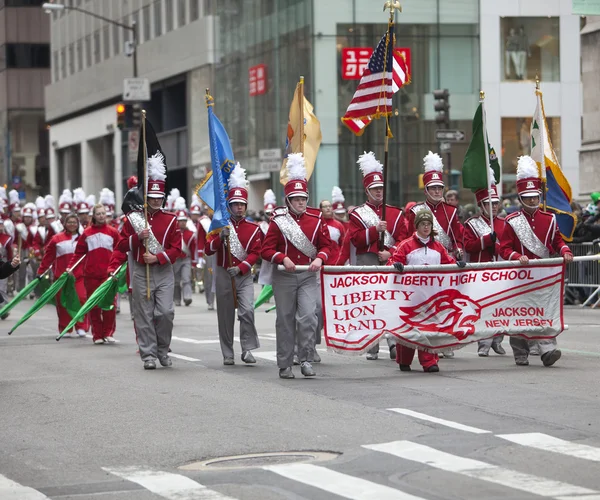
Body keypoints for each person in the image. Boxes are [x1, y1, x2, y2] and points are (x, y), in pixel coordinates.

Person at [261, 152, 332, 379]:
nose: (301, 202)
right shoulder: (278, 221)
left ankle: (306, 358)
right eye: (296, 199)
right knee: (285, 319)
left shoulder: (317, 218)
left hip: (308, 275)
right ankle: (284, 363)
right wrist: (282, 258)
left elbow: (328, 246)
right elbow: (266, 249)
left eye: (303, 198)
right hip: (284, 277)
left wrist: (320, 257)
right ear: (288, 201)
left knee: (309, 317)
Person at [110, 148, 182, 370]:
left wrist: (158, 258)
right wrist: (137, 238)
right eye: (153, 198)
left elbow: (176, 249)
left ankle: (163, 349)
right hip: (141, 271)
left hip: (163, 270)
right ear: (146, 198)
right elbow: (121, 245)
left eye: (160, 198)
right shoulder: (134, 219)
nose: (157, 201)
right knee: (144, 314)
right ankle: (148, 355)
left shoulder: (171, 220)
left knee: (166, 312)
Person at [499, 155, 573, 367]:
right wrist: (516, 256)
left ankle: (548, 349)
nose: (532, 200)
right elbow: (504, 248)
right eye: (528, 197)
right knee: (521, 313)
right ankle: (520, 352)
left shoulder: (549, 219)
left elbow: (557, 241)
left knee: (544, 311)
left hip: (543, 275)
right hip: (520, 276)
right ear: (521, 198)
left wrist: (565, 251)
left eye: (535, 197)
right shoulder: (512, 221)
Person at [349, 151, 408, 360]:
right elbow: (355, 240)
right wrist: (375, 230)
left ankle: (393, 342)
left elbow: (403, 239)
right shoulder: (357, 214)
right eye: (375, 189)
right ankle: (372, 345)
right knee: (371, 303)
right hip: (367, 260)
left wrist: (390, 252)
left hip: (389, 261)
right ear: (367, 191)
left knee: (391, 302)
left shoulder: (396, 213)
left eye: (381, 188)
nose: (379, 192)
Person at [408, 152, 464, 358]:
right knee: (423, 304)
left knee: (446, 303)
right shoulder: (416, 211)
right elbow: (408, 237)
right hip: (422, 263)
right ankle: (423, 341)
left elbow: (459, 236)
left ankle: (444, 342)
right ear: (426, 190)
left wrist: (459, 250)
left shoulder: (451, 211)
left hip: (444, 263)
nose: (437, 191)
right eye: (433, 188)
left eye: (440, 187)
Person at [205, 163, 262, 365]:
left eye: (242, 204)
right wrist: (220, 238)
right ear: (229, 205)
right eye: (235, 204)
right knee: (225, 315)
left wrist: (243, 267)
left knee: (247, 311)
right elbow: (208, 249)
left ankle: (247, 349)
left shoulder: (254, 228)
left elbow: (257, 252)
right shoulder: (219, 225)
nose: (239, 207)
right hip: (223, 273)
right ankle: (227, 352)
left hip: (243, 274)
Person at [389, 210, 455, 372]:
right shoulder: (406, 245)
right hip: (411, 296)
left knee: (430, 329)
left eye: (428, 224)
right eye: (422, 224)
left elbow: (449, 263)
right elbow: (394, 261)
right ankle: (404, 359)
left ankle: (429, 361)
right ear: (416, 226)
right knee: (409, 329)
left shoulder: (438, 247)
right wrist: (395, 266)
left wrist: (458, 265)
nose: (426, 227)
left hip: (432, 297)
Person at [463, 169, 507, 357]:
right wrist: (487, 240)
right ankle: (484, 343)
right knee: (483, 308)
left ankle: (497, 340)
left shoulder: (504, 223)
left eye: (496, 203)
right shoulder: (471, 224)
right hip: (481, 272)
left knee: (500, 307)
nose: (494, 207)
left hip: (500, 271)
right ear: (481, 205)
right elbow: (469, 246)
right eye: (490, 204)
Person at [69, 204, 120, 344]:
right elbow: (78, 253)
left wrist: (117, 269)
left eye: (103, 213)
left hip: (108, 275)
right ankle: (97, 335)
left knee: (110, 304)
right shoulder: (87, 233)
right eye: (99, 214)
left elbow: (120, 251)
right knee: (94, 305)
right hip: (91, 275)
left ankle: (108, 332)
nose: (102, 216)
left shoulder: (113, 232)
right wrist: (70, 268)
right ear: (94, 216)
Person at [37, 214, 89, 338]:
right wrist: (41, 271)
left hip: (79, 276)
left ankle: (81, 326)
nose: (72, 224)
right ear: (64, 224)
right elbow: (48, 257)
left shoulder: (83, 239)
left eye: (74, 222)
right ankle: (65, 327)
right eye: (69, 222)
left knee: (81, 298)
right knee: (63, 303)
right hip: (62, 277)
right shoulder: (56, 239)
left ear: (78, 224)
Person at [173, 198, 196, 307]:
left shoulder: (190, 234)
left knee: (186, 279)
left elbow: (193, 249)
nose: (182, 223)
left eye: (184, 221)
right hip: (175, 260)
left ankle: (187, 297)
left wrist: (194, 262)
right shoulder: (172, 233)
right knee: (176, 281)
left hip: (186, 259)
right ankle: (177, 299)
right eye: (180, 220)